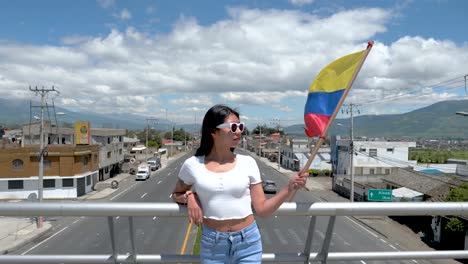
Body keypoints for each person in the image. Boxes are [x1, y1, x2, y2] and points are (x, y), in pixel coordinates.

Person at [172, 104, 308, 263]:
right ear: (213, 131)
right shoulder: (192, 164)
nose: (238, 131)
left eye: (240, 126)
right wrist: (190, 198)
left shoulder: (248, 162)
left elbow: (262, 210)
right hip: (213, 244)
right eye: (233, 127)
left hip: (248, 242)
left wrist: (289, 188)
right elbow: (176, 194)